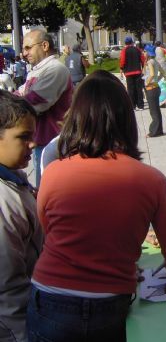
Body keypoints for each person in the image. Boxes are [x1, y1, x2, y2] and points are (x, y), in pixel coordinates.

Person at [26, 70, 166, 342]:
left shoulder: (54, 172)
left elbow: (50, 233)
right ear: (127, 120)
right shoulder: (151, 180)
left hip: (47, 298)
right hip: (110, 304)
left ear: (74, 118)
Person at [0, 91, 43, 342]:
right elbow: (8, 289)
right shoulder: (3, 201)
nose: (33, 144)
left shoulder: (14, 180)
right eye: (23, 137)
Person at [17, 29, 72, 187]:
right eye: (23, 49)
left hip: (53, 143)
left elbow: (34, 102)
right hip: (39, 142)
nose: (24, 53)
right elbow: (20, 93)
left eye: (28, 47)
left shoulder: (55, 69)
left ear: (45, 45)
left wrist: (9, 104)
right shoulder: (38, 71)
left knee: (49, 191)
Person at [120, 36, 146, 111]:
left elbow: (122, 61)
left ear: (125, 43)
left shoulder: (124, 50)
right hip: (137, 71)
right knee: (139, 88)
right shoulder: (137, 49)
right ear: (132, 42)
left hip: (128, 73)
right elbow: (143, 59)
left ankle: (133, 106)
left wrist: (121, 69)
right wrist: (143, 68)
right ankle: (140, 105)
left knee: (130, 89)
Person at [144, 48, 165, 138]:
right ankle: (159, 130)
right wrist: (157, 80)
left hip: (151, 88)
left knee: (153, 111)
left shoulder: (150, 62)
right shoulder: (155, 61)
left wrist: (147, 82)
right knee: (156, 110)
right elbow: (163, 73)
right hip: (156, 87)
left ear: (148, 53)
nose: (144, 53)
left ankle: (153, 132)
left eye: (145, 51)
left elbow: (152, 74)